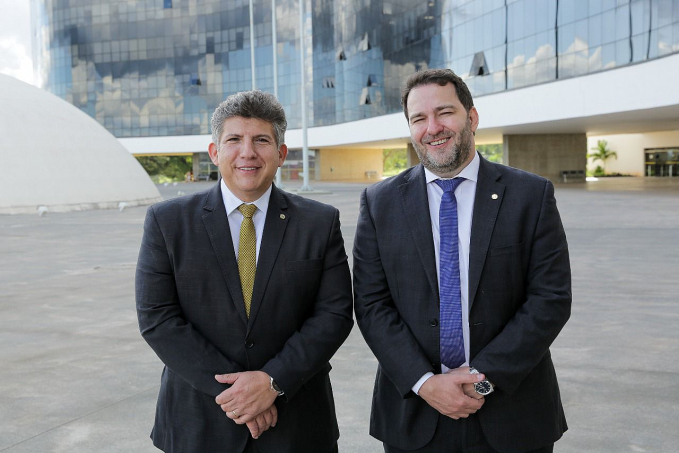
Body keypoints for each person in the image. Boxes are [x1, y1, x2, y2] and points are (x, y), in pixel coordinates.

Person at [353, 68, 571, 453]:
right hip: (414, 414)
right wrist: (425, 382)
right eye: (418, 118)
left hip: (512, 413)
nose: (432, 127)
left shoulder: (530, 195)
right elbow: (371, 305)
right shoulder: (379, 203)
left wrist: (482, 381)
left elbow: (549, 300)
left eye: (445, 112)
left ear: (471, 117)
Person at [136, 90, 353, 453]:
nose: (247, 152)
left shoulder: (320, 222)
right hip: (199, 423)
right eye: (234, 139)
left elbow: (334, 314)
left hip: (296, 423)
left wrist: (272, 383)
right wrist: (237, 396)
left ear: (281, 154)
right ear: (214, 152)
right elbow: (157, 318)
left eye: (261, 140)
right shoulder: (167, 222)